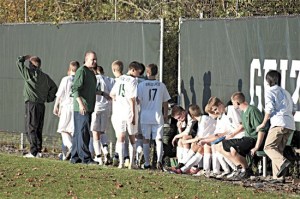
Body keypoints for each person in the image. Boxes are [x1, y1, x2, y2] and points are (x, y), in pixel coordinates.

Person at [256, 70, 296, 183]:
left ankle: (283, 162)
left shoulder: (269, 92)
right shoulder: (286, 92)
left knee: (268, 147)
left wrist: (263, 124)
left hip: (278, 123)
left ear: (268, 80)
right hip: (289, 125)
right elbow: (294, 109)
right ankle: (278, 177)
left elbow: (269, 108)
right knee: (278, 150)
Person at [217, 92, 266, 180]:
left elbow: (261, 130)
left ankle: (247, 170)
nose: (232, 105)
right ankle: (240, 168)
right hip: (246, 138)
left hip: (253, 139)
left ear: (237, 103)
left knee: (233, 149)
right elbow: (243, 126)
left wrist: (256, 147)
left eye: (233, 103)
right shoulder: (243, 112)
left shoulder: (252, 110)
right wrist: (232, 135)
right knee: (221, 145)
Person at [17, 55, 57, 158]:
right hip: (41, 105)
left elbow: (19, 63)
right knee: (38, 128)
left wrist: (25, 57)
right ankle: (38, 151)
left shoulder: (29, 74)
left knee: (30, 128)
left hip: (32, 104)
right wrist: (48, 98)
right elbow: (54, 87)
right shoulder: (45, 77)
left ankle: (33, 152)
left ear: (31, 64)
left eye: (30, 63)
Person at [137, 63, 171, 170]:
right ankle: (159, 161)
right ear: (156, 73)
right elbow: (165, 102)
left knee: (146, 139)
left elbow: (138, 100)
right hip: (157, 115)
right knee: (159, 139)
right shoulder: (161, 85)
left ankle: (147, 163)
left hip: (145, 115)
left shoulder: (141, 85)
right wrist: (165, 114)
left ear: (147, 72)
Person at [110, 61, 140, 169]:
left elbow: (112, 94)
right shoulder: (133, 80)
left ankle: (121, 163)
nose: (138, 75)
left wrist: (119, 101)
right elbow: (132, 99)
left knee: (120, 137)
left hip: (119, 112)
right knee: (132, 137)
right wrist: (133, 113)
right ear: (133, 70)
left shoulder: (120, 78)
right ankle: (132, 163)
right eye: (138, 72)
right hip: (128, 111)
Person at [70, 50, 98, 165]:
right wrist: (81, 105)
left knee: (79, 132)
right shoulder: (81, 71)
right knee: (83, 132)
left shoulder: (91, 72)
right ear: (86, 59)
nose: (95, 61)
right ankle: (86, 158)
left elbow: (89, 89)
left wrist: (103, 93)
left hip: (89, 107)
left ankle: (75, 157)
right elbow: (75, 89)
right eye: (93, 59)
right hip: (82, 108)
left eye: (95, 59)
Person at [172, 104, 216, 174]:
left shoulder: (203, 119)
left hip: (215, 139)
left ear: (191, 115)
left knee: (198, 146)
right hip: (209, 139)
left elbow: (199, 138)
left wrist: (186, 141)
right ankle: (182, 166)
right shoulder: (201, 120)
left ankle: (183, 167)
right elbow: (198, 137)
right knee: (198, 146)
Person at [53, 61, 80, 160]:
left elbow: (60, 94)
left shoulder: (66, 79)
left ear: (70, 69)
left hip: (66, 107)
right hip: (76, 107)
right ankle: (74, 152)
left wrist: (56, 106)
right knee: (73, 131)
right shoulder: (80, 80)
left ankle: (71, 147)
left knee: (62, 129)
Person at [90, 65, 112, 165]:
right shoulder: (109, 80)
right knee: (102, 132)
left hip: (95, 107)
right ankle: (106, 152)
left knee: (95, 133)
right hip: (106, 107)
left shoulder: (93, 79)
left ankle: (98, 156)